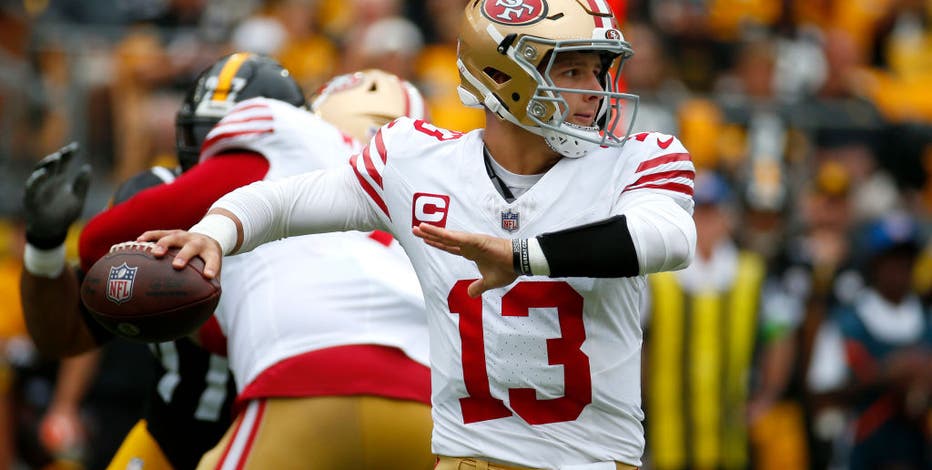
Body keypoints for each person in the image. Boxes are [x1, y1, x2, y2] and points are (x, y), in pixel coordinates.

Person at [142, 0, 698, 468]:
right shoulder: (418, 161)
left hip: (593, 459)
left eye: (601, 71)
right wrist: (217, 231)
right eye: (573, 71)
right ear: (503, 76)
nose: (595, 91)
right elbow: (288, 200)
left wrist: (522, 256)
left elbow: (666, 238)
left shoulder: (639, 160)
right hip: (468, 455)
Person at [80, 65, 434, 469]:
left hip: (306, 377)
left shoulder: (287, 135)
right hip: (428, 396)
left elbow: (96, 241)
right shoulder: (429, 196)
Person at [19, 53, 308, 469]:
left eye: (236, 143)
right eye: (207, 138)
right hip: (174, 436)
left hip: (289, 436)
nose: (219, 157)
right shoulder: (154, 198)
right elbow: (65, 336)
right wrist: (44, 247)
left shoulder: (322, 207)